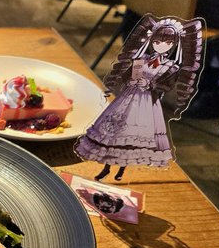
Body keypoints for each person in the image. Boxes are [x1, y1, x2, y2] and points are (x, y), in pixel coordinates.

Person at [75, 15, 204, 181]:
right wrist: (128, 80)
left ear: (173, 44)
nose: (161, 45)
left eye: (167, 43)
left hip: (147, 104)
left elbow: (166, 86)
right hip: (128, 98)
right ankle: (106, 168)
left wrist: (151, 85)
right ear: (151, 41)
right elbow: (127, 75)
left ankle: (121, 171)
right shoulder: (141, 59)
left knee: (132, 137)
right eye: (157, 42)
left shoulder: (170, 67)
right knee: (114, 134)